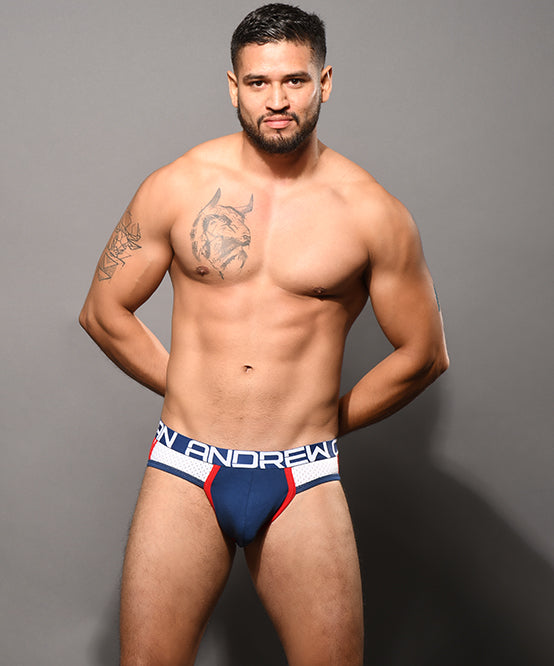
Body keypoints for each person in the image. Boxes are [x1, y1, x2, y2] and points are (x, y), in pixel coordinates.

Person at [80, 3, 449, 664]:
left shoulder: (372, 212)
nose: (276, 100)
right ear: (234, 87)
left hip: (302, 477)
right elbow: (104, 312)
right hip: (186, 467)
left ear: (324, 81)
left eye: (294, 80)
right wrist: (193, 388)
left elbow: (424, 355)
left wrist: (325, 418)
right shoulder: (178, 186)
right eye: (258, 82)